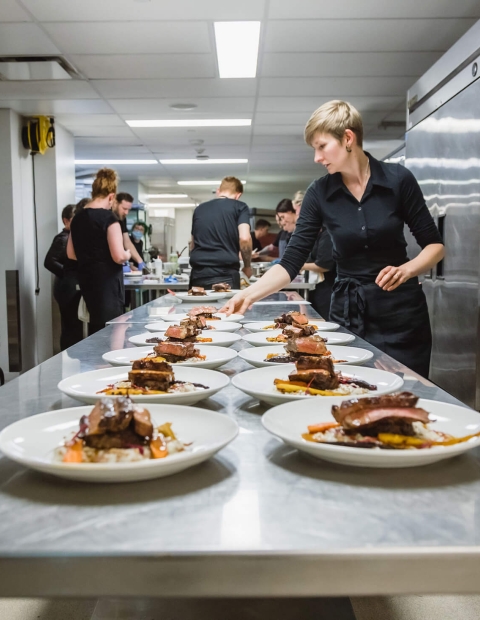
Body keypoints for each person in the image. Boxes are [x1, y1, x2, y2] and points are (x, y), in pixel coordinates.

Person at [222, 100, 444, 377]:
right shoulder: (319, 193)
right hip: (349, 314)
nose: (317, 157)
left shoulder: (398, 180)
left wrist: (407, 269)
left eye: (321, 146)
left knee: (407, 394)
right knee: (350, 386)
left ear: (348, 138)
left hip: (401, 314)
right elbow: (292, 260)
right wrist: (248, 294)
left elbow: (434, 245)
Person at [67, 168, 131, 334]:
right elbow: (118, 256)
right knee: (114, 329)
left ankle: (96, 360)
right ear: (111, 196)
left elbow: (71, 254)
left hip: (87, 282)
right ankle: (112, 359)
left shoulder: (77, 219)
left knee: (95, 330)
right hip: (108, 284)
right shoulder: (109, 219)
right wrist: (127, 255)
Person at [189, 176, 252, 289]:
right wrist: (247, 266)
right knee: (227, 307)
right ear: (238, 195)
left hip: (198, 274)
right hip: (226, 274)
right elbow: (245, 238)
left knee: (198, 307)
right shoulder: (240, 207)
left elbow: (192, 243)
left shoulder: (199, 209)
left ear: (218, 191)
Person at [44, 204, 83, 350]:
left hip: (71, 287)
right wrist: (69, 273)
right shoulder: (62, 238)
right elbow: (49, 262)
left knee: (74, 327)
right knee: (71, 327)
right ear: (65, 220)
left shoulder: (74, 238)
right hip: (67, 289)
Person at [302, 227, 336, 319]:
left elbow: (324, 266)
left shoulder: (327, 235)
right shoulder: (319, 235)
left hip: (327, 288)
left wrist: (301, 266)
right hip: (318, 289)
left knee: (325, 320)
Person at [113, 193, 146, 270]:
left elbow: (127, 241)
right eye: (124, 209)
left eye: (128, 209)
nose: (126, 213)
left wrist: (140, 261)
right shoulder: (108, 217)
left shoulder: (122, 218)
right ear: (115, 204)